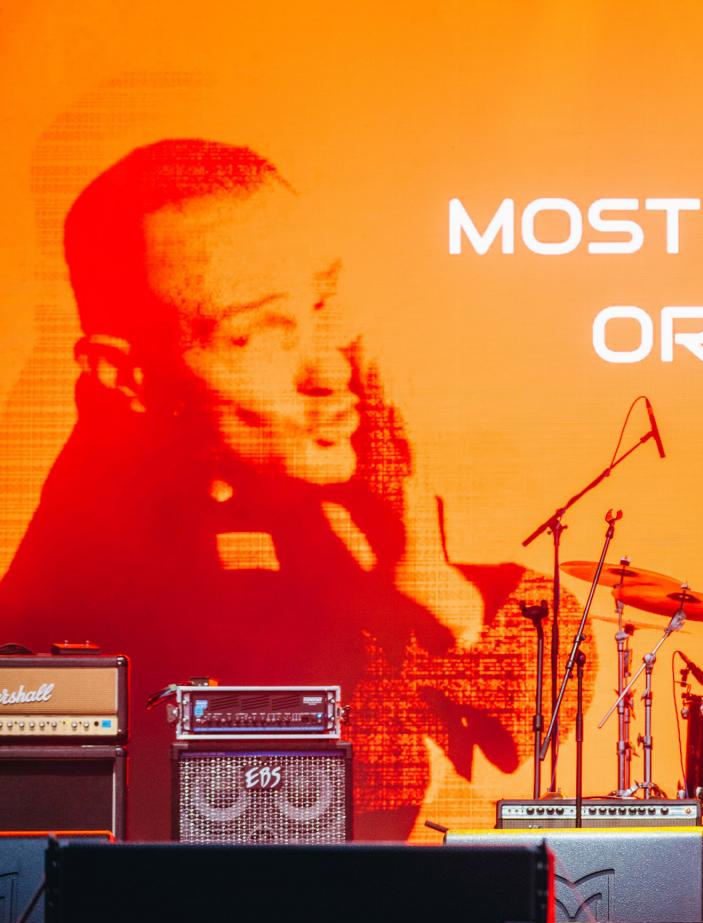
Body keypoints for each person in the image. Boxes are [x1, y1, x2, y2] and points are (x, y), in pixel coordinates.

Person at [0, 139, 587, 840]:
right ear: (125, 376)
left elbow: (532, 713)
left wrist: (433, 585)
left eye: (322, 301)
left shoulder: (323, 491)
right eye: (258, 334)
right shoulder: (85, 591)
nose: (329, 370)